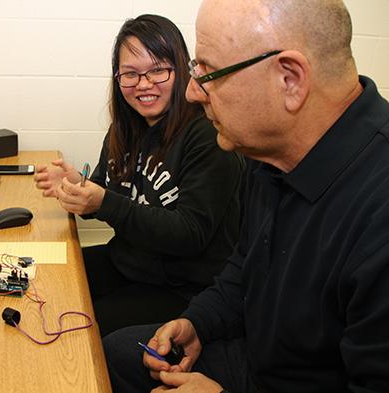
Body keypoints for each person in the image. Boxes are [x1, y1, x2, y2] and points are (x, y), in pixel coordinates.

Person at [103, 0, 389, 392]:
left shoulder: (377, 211)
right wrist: (199, 322)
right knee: (116, 355)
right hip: (260, 356)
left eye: (209, 72)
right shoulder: (267, 150)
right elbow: (246, 268)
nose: (190, 93)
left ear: (289, 79)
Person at [34, 15, 244, 337]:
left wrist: (103, 202)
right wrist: (79, 186)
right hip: (129, 263)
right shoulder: (124, 128)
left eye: (158, 70)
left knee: (74, 328)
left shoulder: (206, 134)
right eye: (130, 74)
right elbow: (113, 193)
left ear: (182, 70)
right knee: (42, 279)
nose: (144, 85)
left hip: (183, 287)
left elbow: (191, 233)